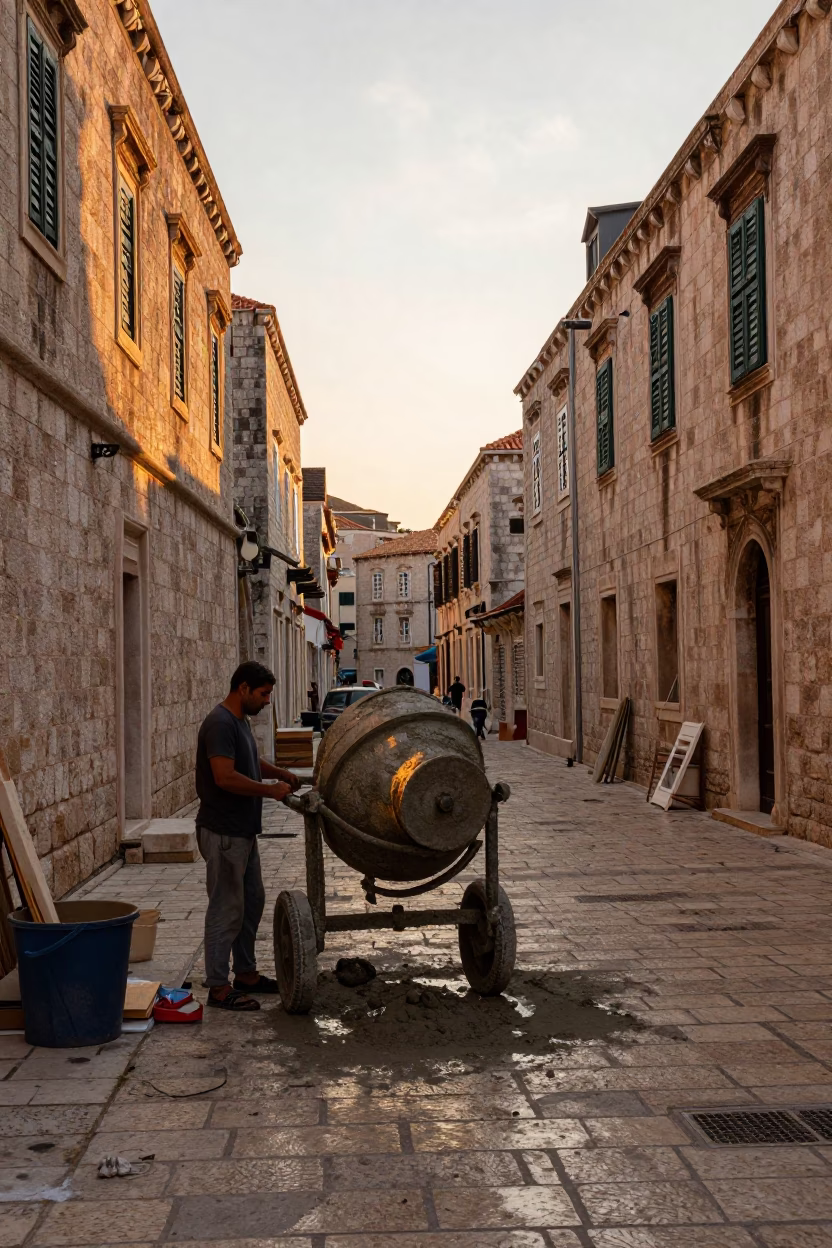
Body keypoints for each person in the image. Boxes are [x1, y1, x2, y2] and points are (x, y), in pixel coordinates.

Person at [195, 661, 301, 1011]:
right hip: (223, 831)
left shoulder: (238, 722)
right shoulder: (220, 723)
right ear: (243, 688)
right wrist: (268, 791)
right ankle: (217, 986)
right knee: (226, 908)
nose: (267, 701)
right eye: (263, 694)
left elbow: (251, 762)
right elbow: (224, 777)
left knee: (251, 901)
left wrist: (280, 772)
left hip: (242, 832)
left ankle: (246, 974)